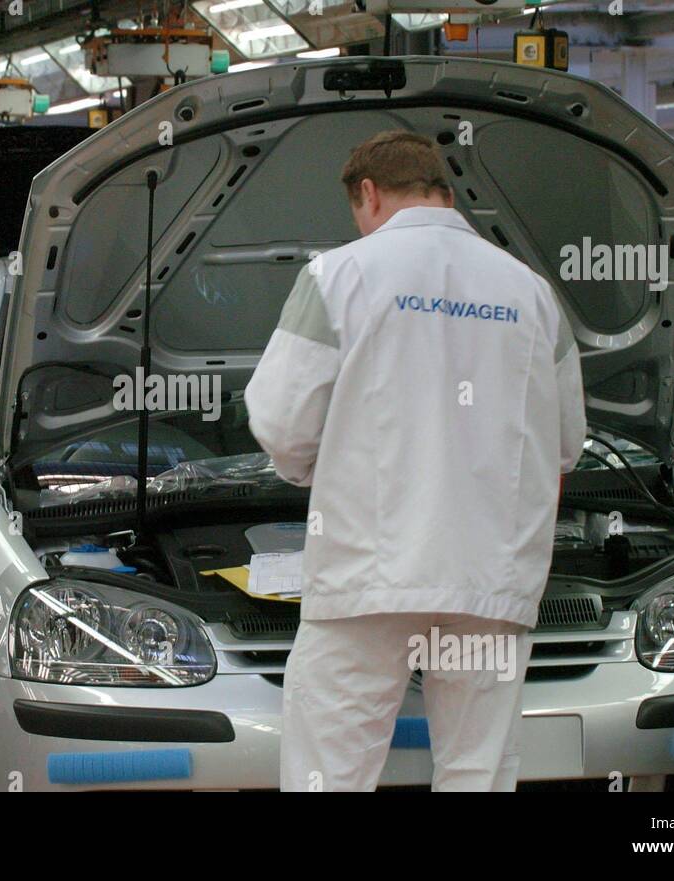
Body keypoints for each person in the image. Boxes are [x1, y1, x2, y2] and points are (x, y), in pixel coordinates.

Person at [245, 131, 587, 792]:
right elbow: (566, 444)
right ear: (447, 194)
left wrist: (324, 467)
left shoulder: (338, 275)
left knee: (331, 775)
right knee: (476, 774)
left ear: (368, 194)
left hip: (363, 588)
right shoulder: (531, 293)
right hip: (490, 584)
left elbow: (281, 425)